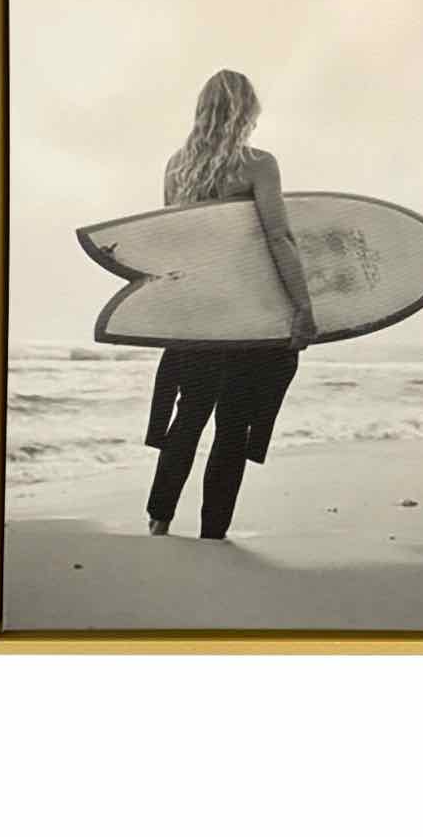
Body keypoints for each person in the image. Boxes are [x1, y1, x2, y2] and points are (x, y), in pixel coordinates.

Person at [144, 69, 317, 539]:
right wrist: (302, 305)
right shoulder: (259, 164)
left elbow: (168, 243)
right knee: (232, 423)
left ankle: (160, 521)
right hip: (245, 315)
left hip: (193, 313)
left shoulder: (177, 165)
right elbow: (278, 236)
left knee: (189, 416)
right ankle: (213, 531)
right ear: (247, 112)